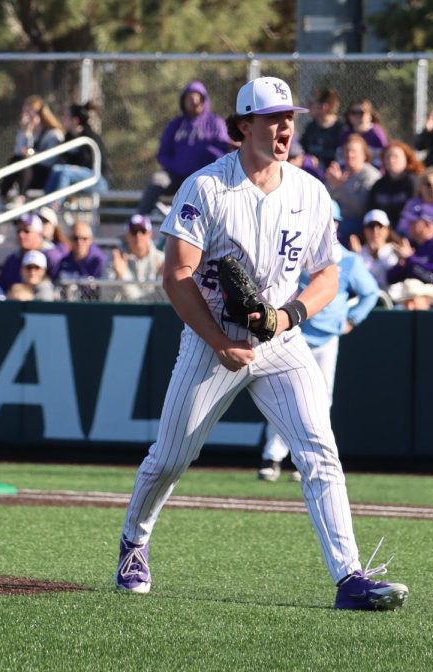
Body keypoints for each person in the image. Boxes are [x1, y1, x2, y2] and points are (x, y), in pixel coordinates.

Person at [116, 75, 408, 612]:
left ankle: (350, 577)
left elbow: (328, 276)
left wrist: (289, 315)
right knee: (171, 459)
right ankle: (135, 541)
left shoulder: (309, 191)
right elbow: (176, 275)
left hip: (279, 339)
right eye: (273, 118)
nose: (284, 127)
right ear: (244, 125)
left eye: (290, 118)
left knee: (319, 450)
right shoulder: (206, 187)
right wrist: (216, 341)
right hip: (212, 338)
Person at [258, 201, 380, 482]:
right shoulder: (295, 251)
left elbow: (370, 292)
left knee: (320, 400)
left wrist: (351, 320)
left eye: (333, 221)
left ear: (338, 224)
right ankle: (272, 457)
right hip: (293, 334)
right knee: (283, 395)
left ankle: (308, 461)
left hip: (326, 339)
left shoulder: (348, 259)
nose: (328, 226)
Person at [136, 80, 231, 216]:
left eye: (197, 98)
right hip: (176, 176)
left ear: (203, 100)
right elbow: (163, 154)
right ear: (183, 101)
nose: (193, 102)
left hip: (205, 176)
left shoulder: (215, 123)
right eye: (189, 98)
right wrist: (178, 167)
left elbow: (223, 150)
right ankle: (139, 220)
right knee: (157, 180)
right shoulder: (176, 125)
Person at [0, 96, 65, 200]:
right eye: (24, 113)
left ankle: (21, 197)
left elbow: (50, 161)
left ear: (39, 114)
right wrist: (25, 133)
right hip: (27, 174)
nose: (26, 117)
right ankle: (2, 195)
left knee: (24, 162)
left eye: (29, 113)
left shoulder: (53, 134)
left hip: (46, 175)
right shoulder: (27, 132)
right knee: (15, 160)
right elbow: (18, 152)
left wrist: (32, 154)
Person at [388, 201, 433, 295]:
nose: (408, 225)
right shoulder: (412, 244)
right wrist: (401, 264)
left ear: (427, 224)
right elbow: (391, 279)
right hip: (413, 297)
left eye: (413, 222)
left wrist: (409, 258)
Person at [325, 134, 381, 244]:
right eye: (346, 151)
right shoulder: (340, 172)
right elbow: (325, 199)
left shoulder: (370, 175)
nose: (349, 155)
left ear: (364, 155)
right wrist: (332, 185)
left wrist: (339, 187)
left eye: (354, 151)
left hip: (359, 222)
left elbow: (360, 207)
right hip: (337, 219)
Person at [45, 101, 109, 195]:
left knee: (65, 172)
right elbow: (64, 160)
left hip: (98, 180)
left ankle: (55, 203)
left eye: (66, 116)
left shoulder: (89, 138)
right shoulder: (68, 137)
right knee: (56, 169)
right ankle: (46, 201)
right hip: (76, 177)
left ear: (75, 120)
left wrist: (73, 165)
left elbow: (87, 162)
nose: (62, 119)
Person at [0, 212, 64, 293]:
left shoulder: (52, 256)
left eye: (26, 231)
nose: (21, 235)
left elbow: (60, 285)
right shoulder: (12, 259)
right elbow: (2, 287)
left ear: (39, 233)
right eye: (19, 231)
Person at [107, 214, 166, 302]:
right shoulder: (115, 260)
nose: (138, 235)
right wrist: (118, 277)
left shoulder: (162, 260)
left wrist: (123, 276)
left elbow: (166, 300)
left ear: (150, 234)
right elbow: (106, 298)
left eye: (143, 231)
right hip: (124, 310)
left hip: (154, 310)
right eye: (134, 231)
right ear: (127, 235)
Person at [367, 140, 422, 230]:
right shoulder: (379, 185)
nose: (391, 160)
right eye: (388, 157)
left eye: (396, 156)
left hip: (407, 230)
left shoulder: (414, 182)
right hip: (381, 230)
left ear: (406, 158)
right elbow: (371, 210)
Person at [349, 208, 399, 289]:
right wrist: (355, 256)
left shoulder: (397, 250)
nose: (375, 231)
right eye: (371, 226)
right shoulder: (358, 252)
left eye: (380, 226)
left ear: (388, 229)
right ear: (364, 230)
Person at [395, 166, 433, 237]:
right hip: (412, 240)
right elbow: (401, 229)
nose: (432, 189)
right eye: (428, 185)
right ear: (420, 187)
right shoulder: (412, 203)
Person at [298, 88, 348, 169]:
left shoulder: (341, 129)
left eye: (311, 103)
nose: (308, 107)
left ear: (324, 106)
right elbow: (301, 151)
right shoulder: (310, 127)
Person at [56, 220, 106, 299]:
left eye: (84, 239)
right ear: (69, 239)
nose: (80, 242)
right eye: (75, 238)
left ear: (91, 240)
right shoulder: (64, 260)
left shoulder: (99, 261)